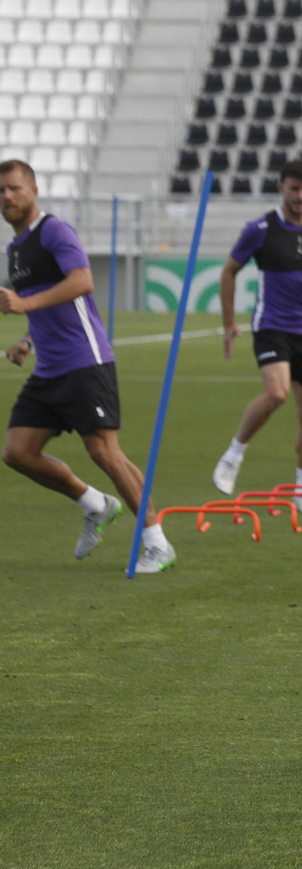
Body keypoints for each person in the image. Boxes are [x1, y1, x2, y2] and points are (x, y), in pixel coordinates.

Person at [0, 158, 176, 572]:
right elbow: (48, 302)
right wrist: (27, 339)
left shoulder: (54, 231)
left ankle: (157, 543)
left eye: (14, 188)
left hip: (84, 360)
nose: (7, 196)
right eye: (1, 191)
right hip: (49, 369)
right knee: (17, 452)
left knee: (103, 451)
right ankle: (95, 503)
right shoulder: (15, 248)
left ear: (34, 190)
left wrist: (22, 302)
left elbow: (82, 281)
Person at [211, 159, 302, 514]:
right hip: (271, 324)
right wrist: (229, 324)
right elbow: (229, 271)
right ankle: (233, 455)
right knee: (277, 393)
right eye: (294, 188)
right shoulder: (260, 228)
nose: (300, 196)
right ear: (280, 188)